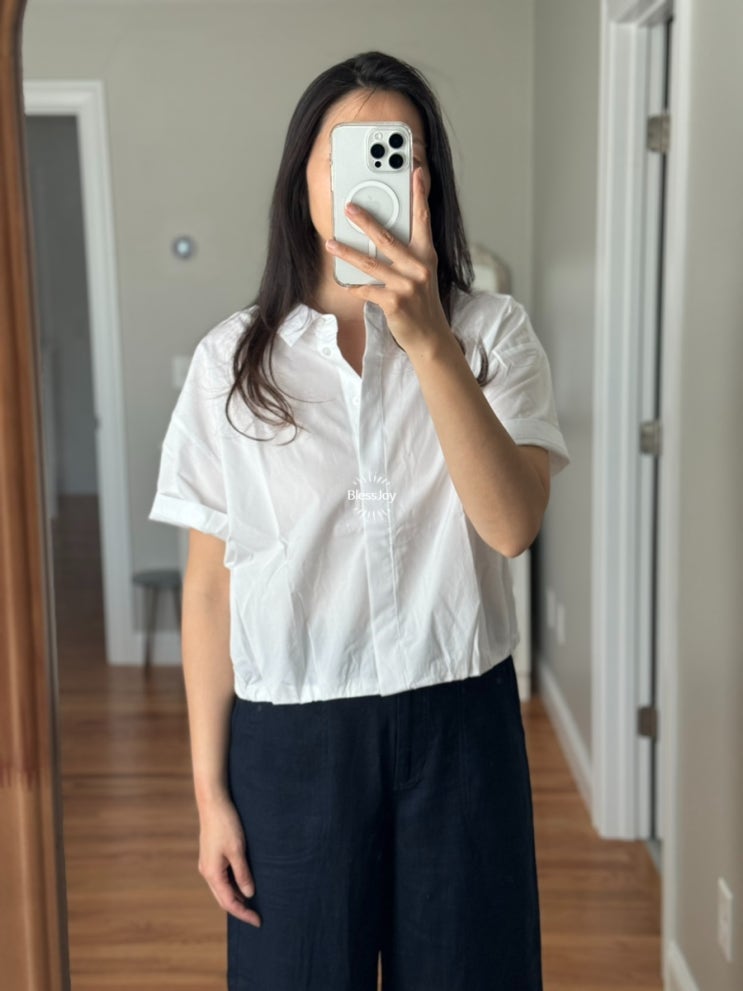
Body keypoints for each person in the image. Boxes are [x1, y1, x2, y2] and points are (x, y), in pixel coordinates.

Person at [149, 50, 569, 991]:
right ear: (302, 178)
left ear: (427, 179)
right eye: (342, 154)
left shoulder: (492, 334)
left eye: (394, 150)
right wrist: (210, 796)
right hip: (289, 745)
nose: (364, 177)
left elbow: (510, 525)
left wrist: (428, 342)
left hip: (461, 729)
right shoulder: (229, 363)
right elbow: (210, 593)